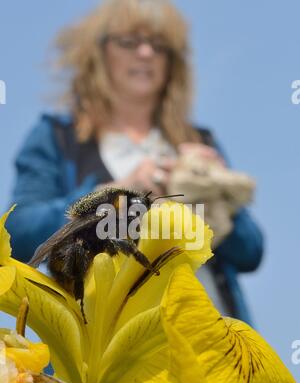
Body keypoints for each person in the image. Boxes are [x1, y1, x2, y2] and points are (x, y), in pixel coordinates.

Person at [7, 0, 263, 324]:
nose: (145, 54)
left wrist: (215, 198)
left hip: (206, 340)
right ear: (99, 53)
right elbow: (18, 234)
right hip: (102, 348)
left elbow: (251, 253)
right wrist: (115, 195)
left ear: (172, 62)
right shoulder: (58, 137)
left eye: (159, 46)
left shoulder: (199, 142)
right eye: (129, 42)